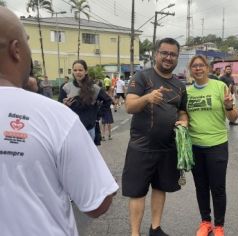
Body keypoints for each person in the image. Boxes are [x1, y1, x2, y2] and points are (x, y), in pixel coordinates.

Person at [0, 7, 118, 235]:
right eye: (27, 42)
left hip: (87, 131)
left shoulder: (92, 88)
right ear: (16, 50)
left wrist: (97, 113)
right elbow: (97, 204)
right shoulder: (55, 115)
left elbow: (106, 100)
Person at [122, 38, 188, 236]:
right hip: (141, 147)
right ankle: (135, 233)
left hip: (167, 147)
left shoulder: (179, 85)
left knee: (161, 188)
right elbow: (129, 106)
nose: (168, 57)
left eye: (173, 54)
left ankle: (155, 228)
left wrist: (184, 121)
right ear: (156, 54)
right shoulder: (142, 77)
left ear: (177, 58)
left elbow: (182, 111)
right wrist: (147, 97)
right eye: (164, 53)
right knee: (137, 191)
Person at [186, 55, 238, 236]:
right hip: (195, 146)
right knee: (201, 186)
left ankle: (219, 226)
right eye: (194, 66)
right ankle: (205, 222)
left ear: (207, 68)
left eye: (201, 65)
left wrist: (230, 107)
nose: (198, 69)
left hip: (217, 145)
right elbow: (183, 115)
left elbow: (233, 118)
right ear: (190, 70)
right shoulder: (188, 92)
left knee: (217, 187)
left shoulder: (220, 87)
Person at [58, 60, 112, 141]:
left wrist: (98, 115)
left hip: (89, 129)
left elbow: (108, 100)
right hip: (71, 130)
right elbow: (58, 107)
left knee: (89, 153)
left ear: (86, 71)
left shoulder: (94, 88)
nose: (77, 72)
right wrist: (64, 105)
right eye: (75, 70)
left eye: (80, 70)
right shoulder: (66, 88)